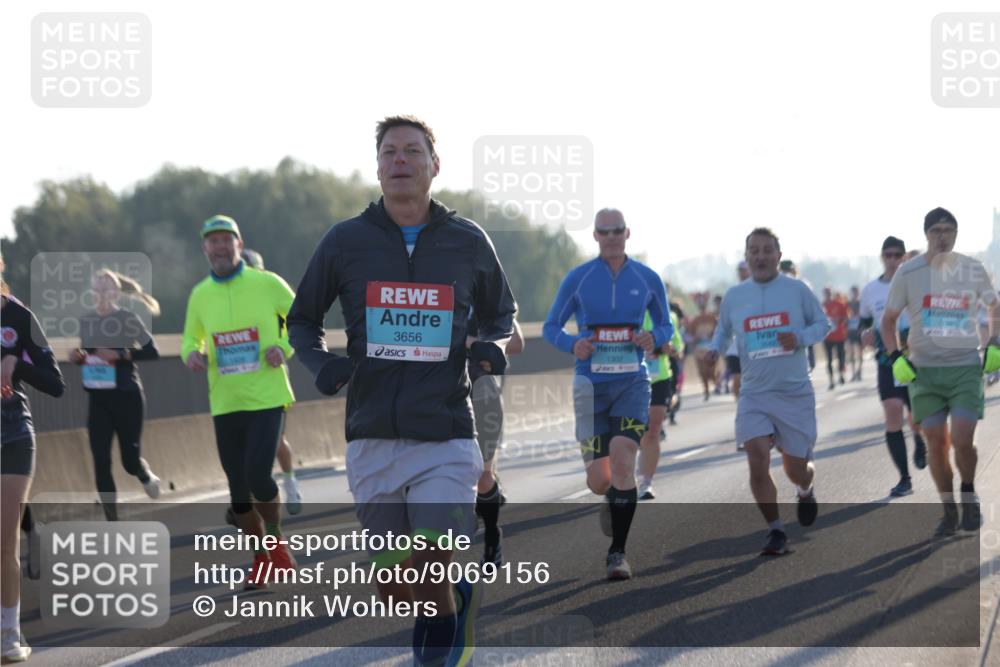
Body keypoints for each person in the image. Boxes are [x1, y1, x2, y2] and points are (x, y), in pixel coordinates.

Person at [287, 116, 515, 667]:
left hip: (445, 430)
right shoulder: (345, 241)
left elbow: (500, 312)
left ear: (435, 166)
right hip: (372, 433)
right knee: (393, 584)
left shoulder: (467, 240)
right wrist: (320, 363)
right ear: (378, 166)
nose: (401, 161)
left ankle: (435, 651)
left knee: (432, 562)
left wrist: (492, 346)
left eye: (413, 151)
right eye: (390, 152)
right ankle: (455, 601)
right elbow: (300, 321)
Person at [543, 207, 672, 580]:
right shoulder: (579, 279)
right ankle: (613, 496)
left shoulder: (647, 279)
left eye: (617, 230)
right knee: (599, 479)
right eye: (605, 231)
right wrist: (572, 344)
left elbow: (664, 325)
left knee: (622, 458)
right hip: (590, 387)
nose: (612, 236)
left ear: (627, 233)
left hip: (633, 381)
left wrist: (654, 337)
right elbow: (551, 326)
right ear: (596, 236)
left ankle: (618, 553)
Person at [181, 215, 299, 589]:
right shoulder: (200, 294)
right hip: (227, 402)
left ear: (238, 244)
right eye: (212, 241)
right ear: (205, 249)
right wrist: (192, 355)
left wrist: (282, 347)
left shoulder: (267, 283)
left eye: (225, 240)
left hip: (267, 397)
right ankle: (262, 558)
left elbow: (302, 320)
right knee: (237, 491)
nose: (219, 247)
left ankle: (276, 538)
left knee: (258, 475)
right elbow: (189, 341)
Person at [707, 228, 830, 555]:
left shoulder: (797, 290)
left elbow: (823, 324)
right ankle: (775, 531)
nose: (760, 256)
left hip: (793, 393)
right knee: (757, 460)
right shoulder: (735, 295)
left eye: (766, 250)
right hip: (754, 394)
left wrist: (800, 338)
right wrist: (713, 350)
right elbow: (723, 331)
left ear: (778, 254)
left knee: (795, 468)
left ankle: (805, 488)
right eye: (754, 251)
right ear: (747, 256)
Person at [881, 208, 999, 535]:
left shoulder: (973, 269)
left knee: (962, 439)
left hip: (964, 367)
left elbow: (995, 305)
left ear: (957, 234)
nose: (943, 236)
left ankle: (968, 491)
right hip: (924, 372)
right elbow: (888, 321)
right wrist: (895, 358)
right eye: (936, 230)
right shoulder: (908, 273)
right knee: (935, 442)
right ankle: (948, 508)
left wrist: (995, 343)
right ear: (926, 235)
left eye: (949, 230)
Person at [1, 256, 66, 663]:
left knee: (1, 540)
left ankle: (8, 633)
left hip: (11, 436)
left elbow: (56, 384)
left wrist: (16, 363)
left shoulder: (20, 317)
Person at [68, 269, 162, 521]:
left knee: (128, 462)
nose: (102, 294)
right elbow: (89, 355)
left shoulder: (127, 318)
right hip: (98, 399)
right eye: (97, 289)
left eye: (107, 289)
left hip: (127, 396)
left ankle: (143, 474)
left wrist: (121, 355)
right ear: (92, 293)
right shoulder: (86, 321)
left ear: (116, 292)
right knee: (100, 460)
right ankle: (113, 522)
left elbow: (153, 351)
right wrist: (77, 357)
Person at [859, 236, 927, 497]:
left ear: (904, 258)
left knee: (917, 416)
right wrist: (864, 334)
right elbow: (864, 323)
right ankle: (904, 478)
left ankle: (920, 441)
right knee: (892, 411)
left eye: (897, 255)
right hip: (888, 359)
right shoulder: (870, 291)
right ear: (881, 258)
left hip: (916, 358)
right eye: (887, 255)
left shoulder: (918, 285)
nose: (892, 260)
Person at [239, 248, 303, 516]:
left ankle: (289, 481)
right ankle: (259, 489)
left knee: (276, 441)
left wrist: (281, 348)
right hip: (239, 380)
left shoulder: (271, 294)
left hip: (271, 374)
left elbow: (298, 324)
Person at [469, 318, 523, 566]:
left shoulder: (485, 294)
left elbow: (516, 343)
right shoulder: (428, 292)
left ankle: (492, 536)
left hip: (482, 392)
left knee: (483, 473)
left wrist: (474, 344)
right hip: (434, 393)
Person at [637, 300, 684, 500]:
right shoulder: (625, 312)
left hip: (660, 377)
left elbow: (678, 348)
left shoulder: (667, 316)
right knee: (635, 431)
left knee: (654, 429)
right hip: (634, 379)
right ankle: (624, 475)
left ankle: (646, 483)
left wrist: (669, 348)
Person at [780, 260, 817, 372]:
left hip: (803, 324)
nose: (788, 273)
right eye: (785, 271)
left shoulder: (803, 284)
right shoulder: (777, 286)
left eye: (790, 270)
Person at [727, 261, 751, 400]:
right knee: (736, 378)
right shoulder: (733, 293)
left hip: (755, 346)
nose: (742, 273)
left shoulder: (759, 290)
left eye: (744, 270)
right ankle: (740, 404)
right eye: (740, 270)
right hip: (735, 347)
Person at [688, 293, 718, 401]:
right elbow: (689, 336)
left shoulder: (712, 318)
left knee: (710, 372)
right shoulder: (695, 320)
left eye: (703, 304)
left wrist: (713, 335)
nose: (701, 306)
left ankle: (717, 381)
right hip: (699, 350)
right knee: (702, 372)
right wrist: (694, 338)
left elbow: (719, 331)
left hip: (711, 348)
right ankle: (706, 391)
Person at [821, 287, 849, 390]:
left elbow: (845, 317)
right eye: (825, 293)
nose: (827, 295)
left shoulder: (839, 304)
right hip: (827, 336)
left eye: (828, 293)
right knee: (829, 360)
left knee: (841, 357)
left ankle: (841, 375)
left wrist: (839, 320)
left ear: (831, 293)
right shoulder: (821, 306)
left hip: (839, 335)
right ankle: (831, 380)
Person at [847, 285, 863, 381]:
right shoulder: (847, 304)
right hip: (851, 331)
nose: (854, 294)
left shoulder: (860, 303)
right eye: (852, 292)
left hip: (859, 330)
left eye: (855, 292)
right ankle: (853, 373)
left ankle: (859, 371)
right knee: (851, 353)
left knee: (860, 353)